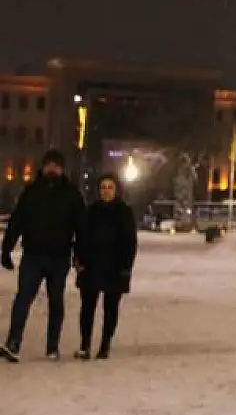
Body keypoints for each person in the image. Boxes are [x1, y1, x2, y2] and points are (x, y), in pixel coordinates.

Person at [0, 148, 86, 362]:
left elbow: (81, 227)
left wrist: (80, 254)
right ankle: (13, 342)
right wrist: (6, 249)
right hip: (33, 255)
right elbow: (17, 221)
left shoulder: (71, 194)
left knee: (56, 301)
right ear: (43, 166)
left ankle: (52, 346)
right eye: (49, 165)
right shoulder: (32, 192)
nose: (52, 169)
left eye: (56, 166)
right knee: (23, 299)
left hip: (59, 256)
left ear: (61, 168)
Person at [74, 173, 138, 360]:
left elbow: (130, 242)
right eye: (103, 187)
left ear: (116, 190)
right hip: (91, 266)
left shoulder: (124, 212)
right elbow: (81, 237)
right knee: (87, 308)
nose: (106, 191)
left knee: (110, 309)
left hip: (115, 268)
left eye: (110, 187)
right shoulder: (90, 211)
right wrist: (78, 260)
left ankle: (105, 345)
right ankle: (85, 344)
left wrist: (126, 266)